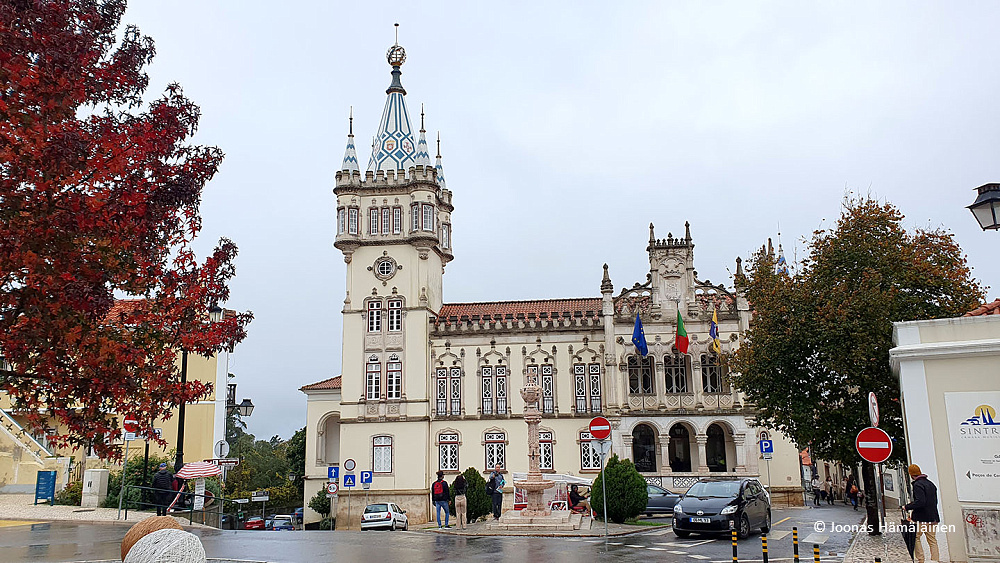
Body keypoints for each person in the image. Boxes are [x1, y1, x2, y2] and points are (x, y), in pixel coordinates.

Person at [904, 464, 940, 563]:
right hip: (933, 517)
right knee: (932, 540)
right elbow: (933, 501)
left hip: (921, 518)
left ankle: (921, 559)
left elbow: (920, 501)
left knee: (916, 537)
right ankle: (935, 560)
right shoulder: (931, 484)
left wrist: (907, 507)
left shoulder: (917, 485)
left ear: (911, 474)